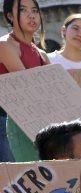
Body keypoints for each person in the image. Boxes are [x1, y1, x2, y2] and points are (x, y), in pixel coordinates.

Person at [0, 0, 49, 162]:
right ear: (9, 15)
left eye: (35, 10)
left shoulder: (42, 54)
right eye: (23, 10)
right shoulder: (5, 46)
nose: (31, 15)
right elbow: (29, 87)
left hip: (38, 125)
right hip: (8, 125)